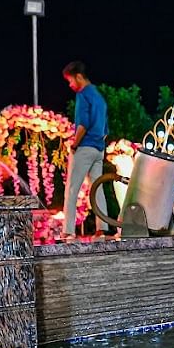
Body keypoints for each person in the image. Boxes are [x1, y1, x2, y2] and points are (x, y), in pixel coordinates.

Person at [61, 61, 109, 239]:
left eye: (70, 80)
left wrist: (74, 145)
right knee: (97, 188)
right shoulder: (98, 96)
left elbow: (83, 124)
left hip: (85, 147)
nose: (70, 85)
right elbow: (105, 130)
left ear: (78, 77)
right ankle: (102, 227)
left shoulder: (83, 95)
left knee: (72, 188)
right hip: (99, 149)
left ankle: (68, 230)